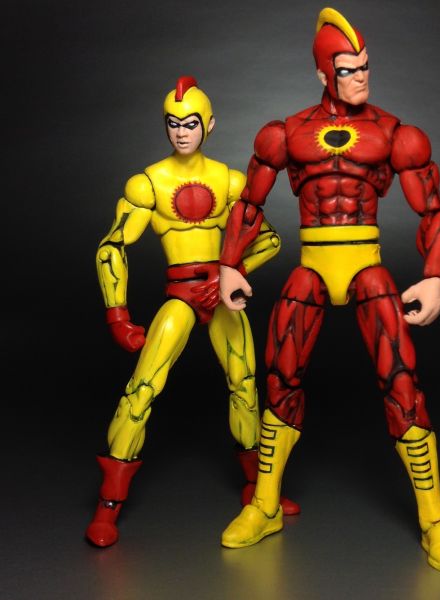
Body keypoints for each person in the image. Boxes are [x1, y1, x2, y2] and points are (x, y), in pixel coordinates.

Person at [218, 8, 440, 574]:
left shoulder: (394, 133)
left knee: (401, 381)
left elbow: (434, 211)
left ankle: (436, 517)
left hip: (365, 266)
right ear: (323, 74)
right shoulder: (286, 132)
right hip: (312, 265)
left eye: (365, 66)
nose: (361, 77)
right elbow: (249, 204)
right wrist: (230, 264)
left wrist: (436, 274)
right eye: (349, 69)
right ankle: (265, 505)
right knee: (280, 377)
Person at [86, 76, 298, 549]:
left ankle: (259, 492)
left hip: (220, 295)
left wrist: (230, 274)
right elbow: (111, 247)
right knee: (142, 387)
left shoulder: (230, 181)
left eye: (191, 123)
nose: (182, 132)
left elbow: (268, 240)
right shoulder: (149, 183)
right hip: (180, 296)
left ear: (210, 125)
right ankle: (108, 505)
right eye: (174, 123)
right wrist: (117, 315)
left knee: (245, 385)